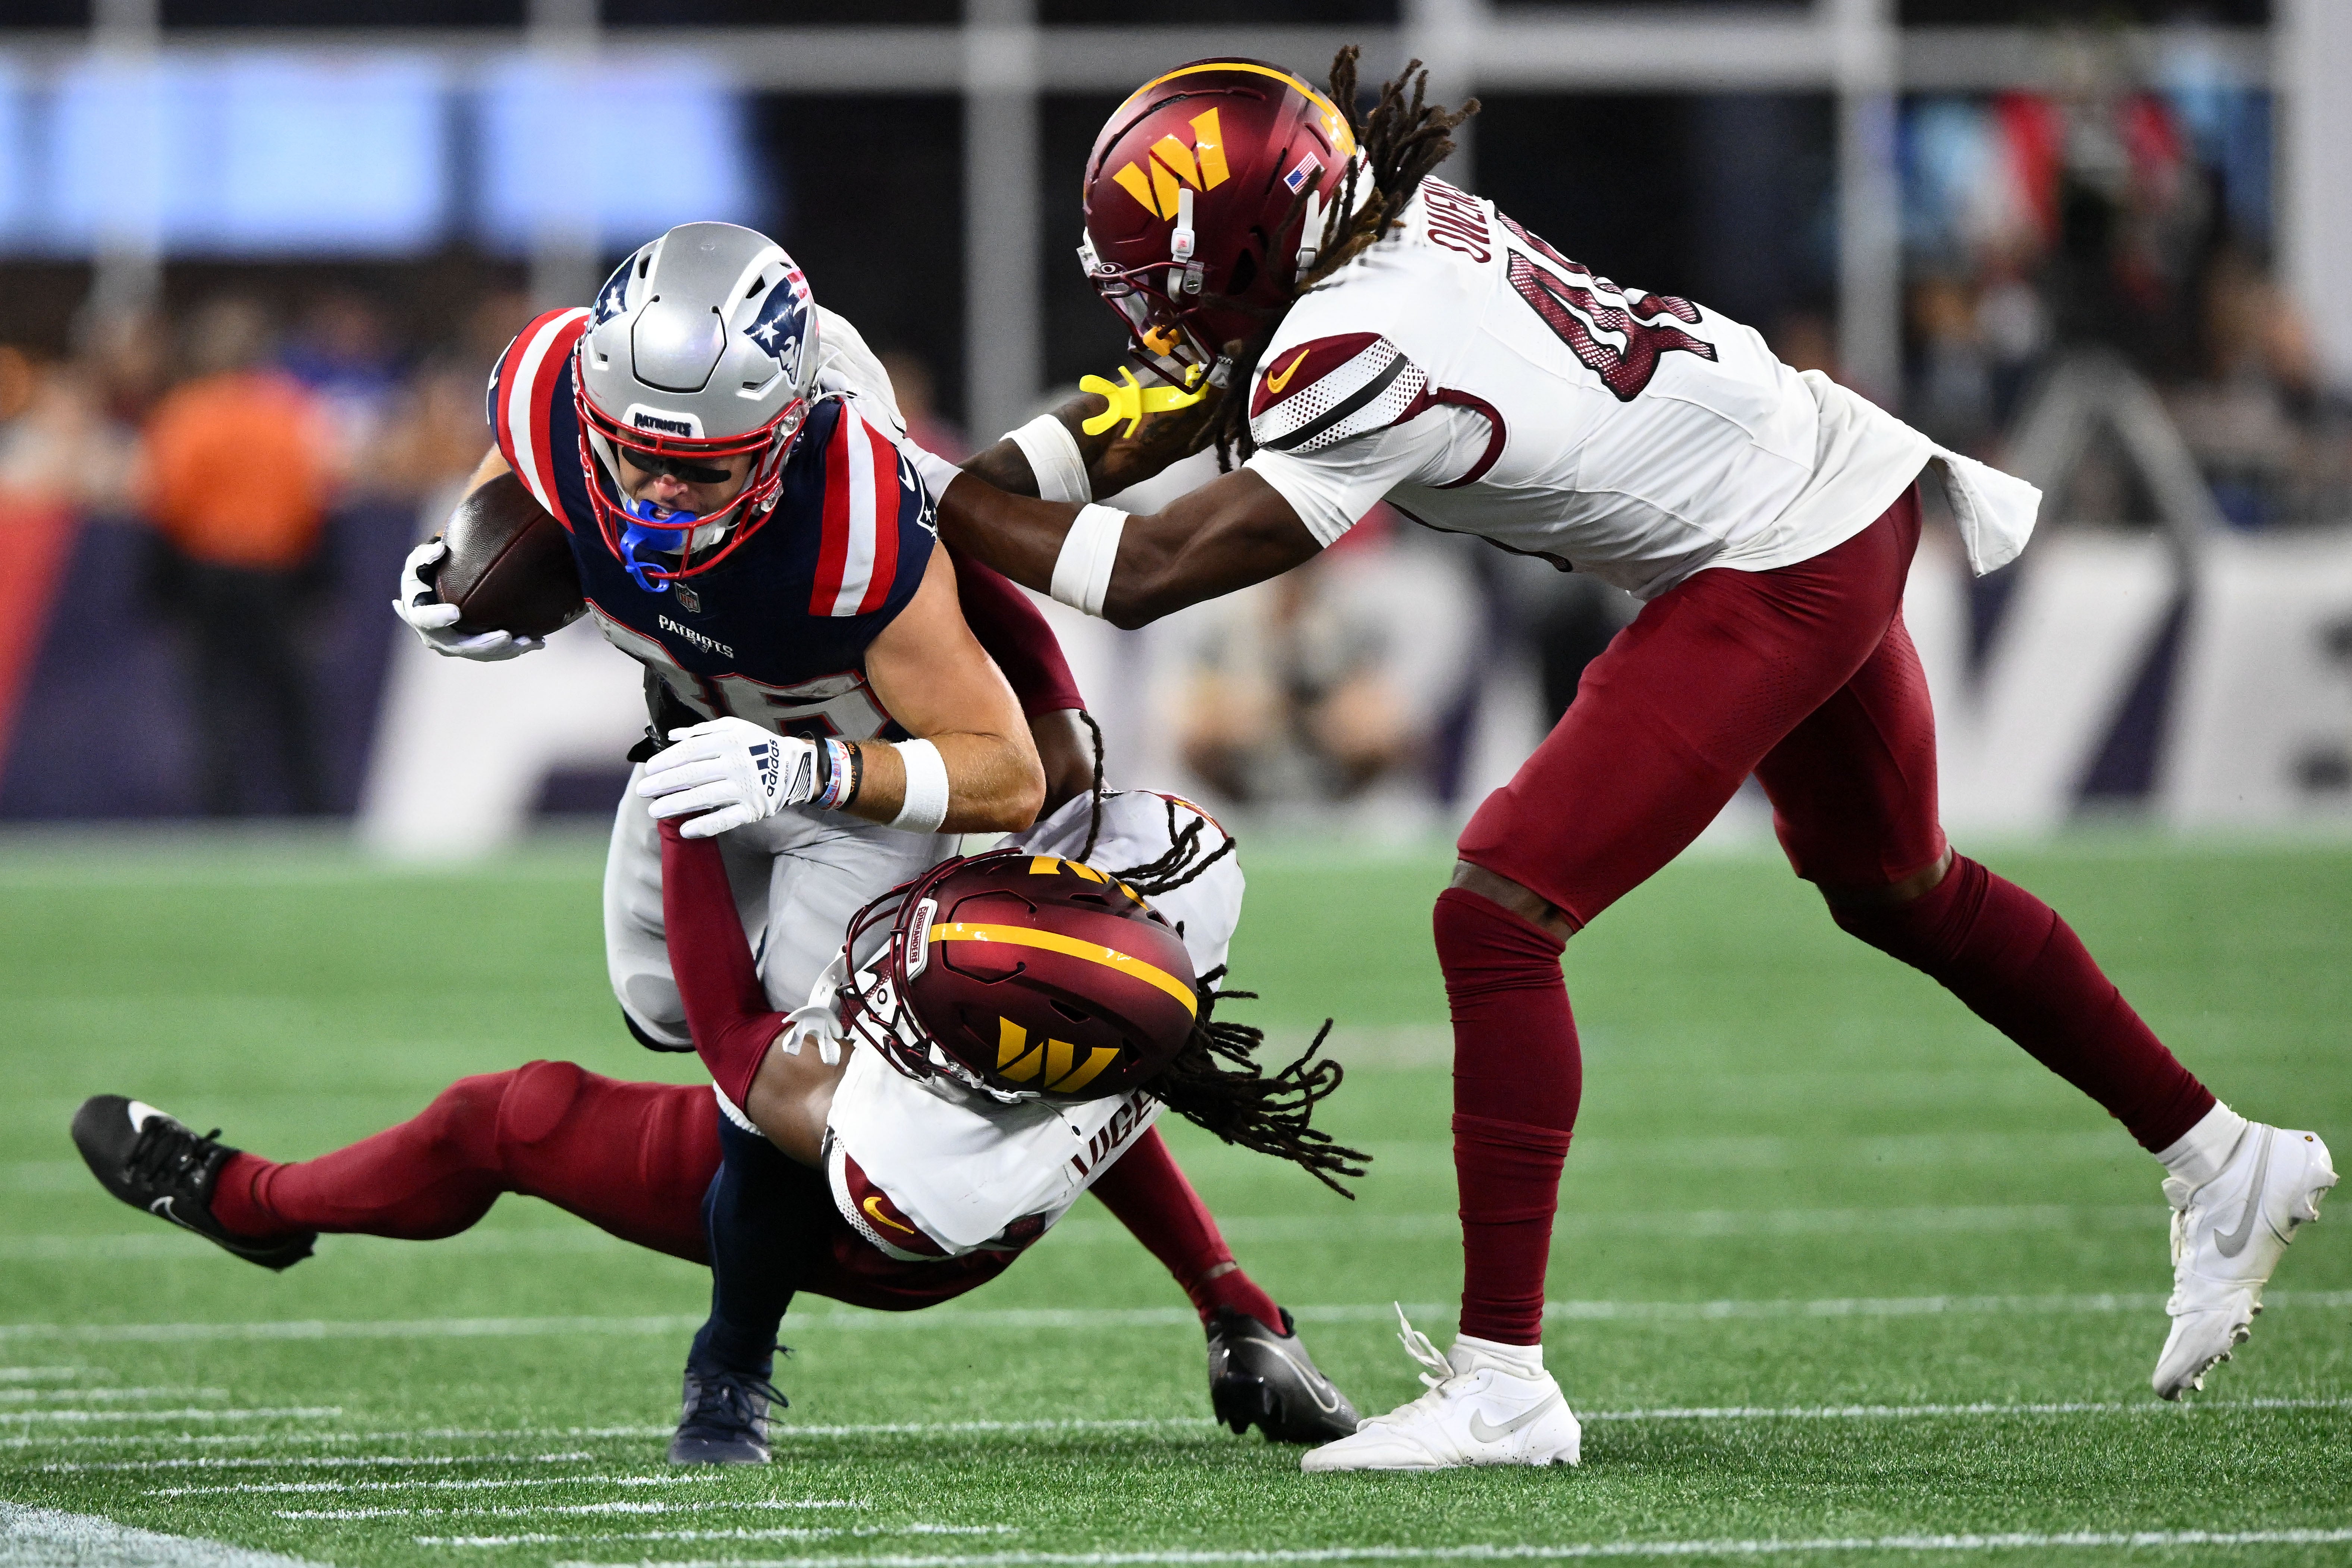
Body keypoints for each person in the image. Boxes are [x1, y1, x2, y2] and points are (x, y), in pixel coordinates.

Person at [909, 52, 2340, 1471]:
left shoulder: (1346, 349)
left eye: (1163, 278)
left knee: (1497, 908)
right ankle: (2222, 1156)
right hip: (1826, 481)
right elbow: (1159, 403)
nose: (1151, 314)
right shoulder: (1377, 227)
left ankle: (1502, 1382)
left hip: (1772, 554)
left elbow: (1148, 571)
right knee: (1893, 885)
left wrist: (926, 497)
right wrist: (967, 475)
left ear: (1244, 247)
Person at [382, 220, 1347, 1459]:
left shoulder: (859, 498)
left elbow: (1000, 750)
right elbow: (526, 461)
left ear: (779, 436)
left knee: (780, 1077)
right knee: (655, 1004)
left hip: (867, 779)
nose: (657, 495)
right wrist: (467, 558)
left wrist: (839, 762)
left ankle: (727, 1371)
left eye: (700, 473)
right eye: (634, 457)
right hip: (700, 737)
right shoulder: (552, 386)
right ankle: (1227, 1295)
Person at [68, 788, 1365, 1461]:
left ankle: (724, 1364)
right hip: (999, 1124)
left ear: (945, 1057)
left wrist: (684, 810)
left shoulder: (900, 1143)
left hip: (881, 1233)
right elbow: (1105, 1099)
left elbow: (731, 1042)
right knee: (1085, 1050)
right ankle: (1244, 1317)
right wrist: (1230, 1297)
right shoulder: (1166, 925)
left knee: (505, 1114)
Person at [139, 297, 337, 816]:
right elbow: (314, 499)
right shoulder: (290, 410)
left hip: (209, 573)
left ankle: (223, 815)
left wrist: (161, 587)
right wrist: (319, 583)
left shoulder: (188, 413)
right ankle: (313, 809)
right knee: (290, 701)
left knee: (215, 701)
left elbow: (168, 504)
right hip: (276, 575)